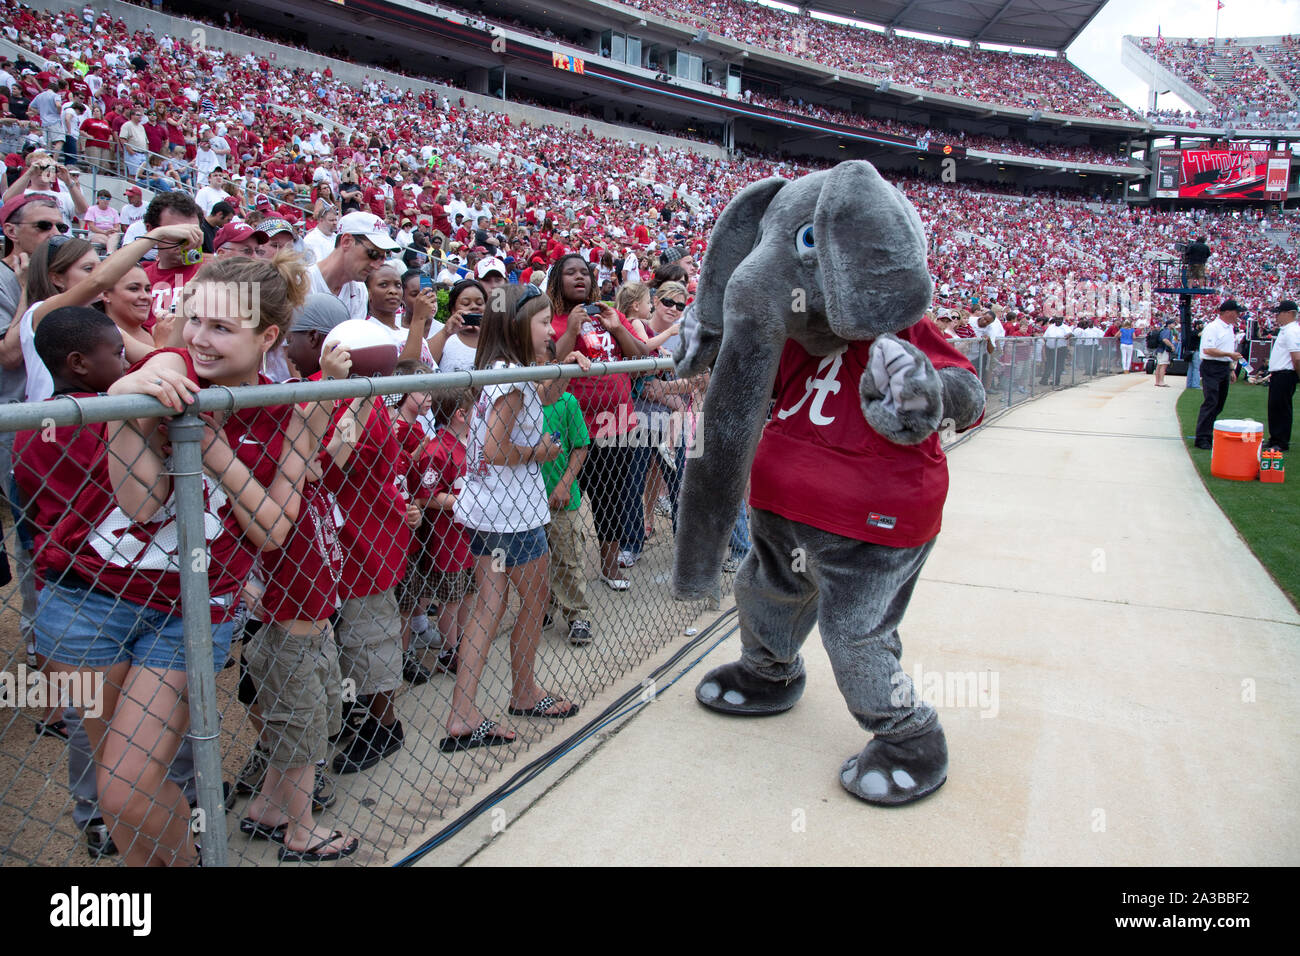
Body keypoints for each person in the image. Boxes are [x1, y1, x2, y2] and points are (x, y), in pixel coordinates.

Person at [26, 253, 312, 866]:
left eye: (221, 328)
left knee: (127, 786)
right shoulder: (169, 365)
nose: (199, 340)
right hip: (91, 597)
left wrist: (211, 449)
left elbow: (271, 530)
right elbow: (141, 500)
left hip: (188, 610)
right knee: (116, 788)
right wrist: (125, 401)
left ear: (266, 337)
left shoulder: (291, 405)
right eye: (194, 320)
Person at [443, 284, 589, 752]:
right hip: (511, 515)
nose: (551, 329)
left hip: (493, 510)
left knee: (492, 605)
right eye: (544, 322)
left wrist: (565, 369)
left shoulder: (503, 370)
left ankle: (463, 710)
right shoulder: (509, 377)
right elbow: (497, 449)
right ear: (516, 325)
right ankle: (524, 692)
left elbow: (543, 398)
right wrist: (541, 451)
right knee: (531, 599)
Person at [548, 253, 648, 588]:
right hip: (572, 430)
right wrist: (572, 328)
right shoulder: (551, 319)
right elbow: (549, 364)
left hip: (616, 424)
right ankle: (558, 576)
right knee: (564, 504)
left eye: (585, 273)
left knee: (613, 500)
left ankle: (609, 566)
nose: (580, 278)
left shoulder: (610, 313)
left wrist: (618, 328)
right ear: (556, 281)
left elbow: (637, 357)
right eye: (570, 273)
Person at [542, 383, 593, 646]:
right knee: (535, 561)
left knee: (567, 556)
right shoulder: (520, 401)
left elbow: (580, 446)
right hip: (525, 500)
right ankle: (545, 607)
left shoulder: (566, 401)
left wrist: (564, 483)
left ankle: (577, 613)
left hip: (561, 497)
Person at [308, 211, 397, 320]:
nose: (377, 266)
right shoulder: (300, 283)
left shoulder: (359, 291)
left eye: (382, 258)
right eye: (372, 254)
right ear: (346, 242)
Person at [1194, 301, 1245, 450]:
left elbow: (1226, 349)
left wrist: (1230, 369)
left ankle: (1208, 433)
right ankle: (1202, 437)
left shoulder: (1229, 328)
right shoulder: (1213, 327)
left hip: (1223, 366)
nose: (1238, 316)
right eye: (1236, 312)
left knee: (1219, 403)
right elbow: (1208, 350)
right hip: (1212, 366)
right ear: (1229, 312)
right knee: (1211, 401)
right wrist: (1229, 355)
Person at [1265, 299, 1300, 452]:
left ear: (1289, 313)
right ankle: (1275, 438)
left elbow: (1297, 357)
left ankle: (1281, 441)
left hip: (1286, 374)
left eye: (1279, 313)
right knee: (1275, 407)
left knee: (1282, 408)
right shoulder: (1286, 330)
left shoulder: (1292, 331)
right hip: (1279, 374)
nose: (1277, 316)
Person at [428, 278, 483, 374]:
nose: (474, 306)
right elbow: (424, 366)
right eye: (466, 303)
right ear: (453, 309)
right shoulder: (442, 335)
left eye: (479, 303)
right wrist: (445, 332)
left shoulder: (493, 337)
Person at [1155, 318, 1177, 388]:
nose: (1174, 325)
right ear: (1169, 324)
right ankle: (1161, 382)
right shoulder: (1167, 331)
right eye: (1173, 323)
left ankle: (1157, 381)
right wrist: (1172, 346)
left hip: (1160, 349)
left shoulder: (1163, 330)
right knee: (1163, 365)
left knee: (1159, 365)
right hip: (1163, 349)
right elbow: (1165, 339)